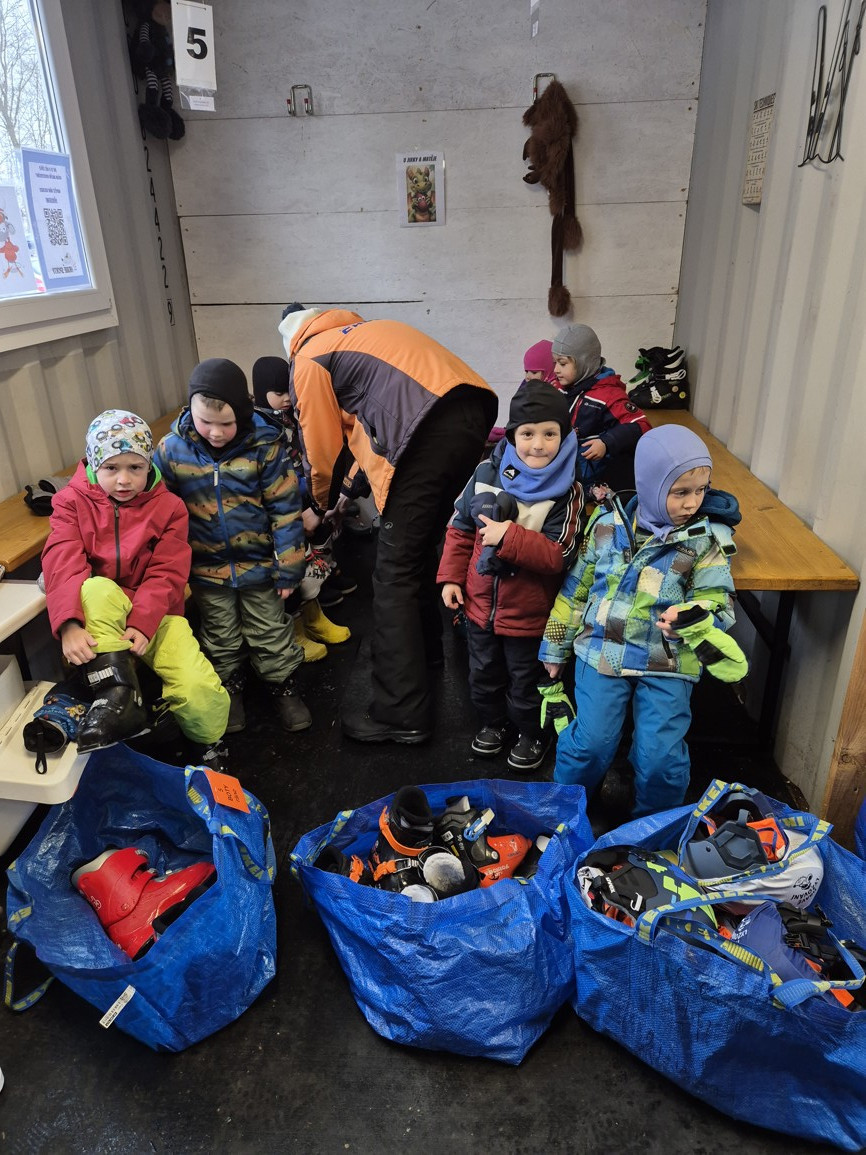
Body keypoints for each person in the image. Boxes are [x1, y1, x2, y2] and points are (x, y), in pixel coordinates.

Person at [278, 303, 498, 743]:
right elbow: (363, 443)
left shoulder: (309, 358)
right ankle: (424, 658)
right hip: (471, 410)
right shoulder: (360, 335)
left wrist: (318, 506)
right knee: (416, 555)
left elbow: (321, 448)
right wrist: (344, 496)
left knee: (393, 573)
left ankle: (400, 713)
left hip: (428, 430)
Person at [539, 424, 741, 816]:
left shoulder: (705, 540)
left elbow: (719, 600)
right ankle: (565, 815)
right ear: (649, 485)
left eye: (701, 490)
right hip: (602, 650)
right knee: (590, 744)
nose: (692, 503)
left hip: (667, 659)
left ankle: (652, 828)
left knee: (660, 758)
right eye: (680, 492)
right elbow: (575, 591)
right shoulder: (606, 526)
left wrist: (693, 617)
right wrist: (554, 646)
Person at [41, 410, 230, 769]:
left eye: (135, 467)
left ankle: (208, 742)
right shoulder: (70, 502)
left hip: (156, 614)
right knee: (96, 588)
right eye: (111, 468)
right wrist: (69, 625)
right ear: (94, 464)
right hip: (101, 614)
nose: (124, 480)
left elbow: (167, 572)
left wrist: (143, 622)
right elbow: (62, 561)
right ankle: (118, 699)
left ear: (149, 465)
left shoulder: (169, 508)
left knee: (197, 685)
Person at [153, 358, 311, 735]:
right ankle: (230, 689)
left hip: (260, 566)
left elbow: (286, 509)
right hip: (205, 569)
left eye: (226, 424)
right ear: (191, 410)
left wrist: (289, 566)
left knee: (269, 630)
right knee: (219, 634)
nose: (216, 432)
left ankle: (283, 687)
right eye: (205, 421)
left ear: (242, 413)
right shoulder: (172, 450)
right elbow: (160, 512)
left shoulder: (265, 445)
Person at [438, 382, 585, 772]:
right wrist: (451, 577)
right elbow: (460, 528)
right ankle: (494, 724)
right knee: (483, 674)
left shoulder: (568, 492)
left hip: (529, 614)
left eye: (550, 433)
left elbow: (559, 554)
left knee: (526, 680)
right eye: (528, 434)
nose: (538, 445)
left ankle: (532, 733)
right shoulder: (486, 472)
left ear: (565, 435)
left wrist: (510, 537)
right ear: (512, 434)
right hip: (480, 606)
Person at [251, 355, 353, 662]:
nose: (286, 397)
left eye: (289, 390)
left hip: (299, 498)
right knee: (291, 570)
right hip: (279, 511)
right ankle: (295, 631)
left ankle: (314, 616)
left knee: (312, 558)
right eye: (278, 392)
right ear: (261, 392)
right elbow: (276, 476)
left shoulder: (287, 418)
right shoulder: (259, 428)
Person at [551, 323, 650, 493]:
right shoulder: (556, 387)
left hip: (590, 477)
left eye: (562, 363)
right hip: (558, 468)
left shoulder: (608, 395)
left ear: (584, 362)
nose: (555, 370)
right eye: (555, 363)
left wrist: (606, 442)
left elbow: (641, 426)